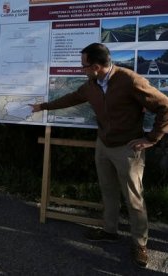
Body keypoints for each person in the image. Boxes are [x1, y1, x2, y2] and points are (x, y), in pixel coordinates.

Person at [31, 42, 168, 268]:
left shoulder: (129, 80)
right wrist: (43, 106)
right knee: (108, 191)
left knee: (134, 198)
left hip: (128, 148)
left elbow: (164, 106)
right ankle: (110, 231)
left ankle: (140, 244)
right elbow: (72, 98)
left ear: (96, 66)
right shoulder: (92, 84)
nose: (81, 69)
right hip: (103, 145)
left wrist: (151, 139)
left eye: (84, 66)